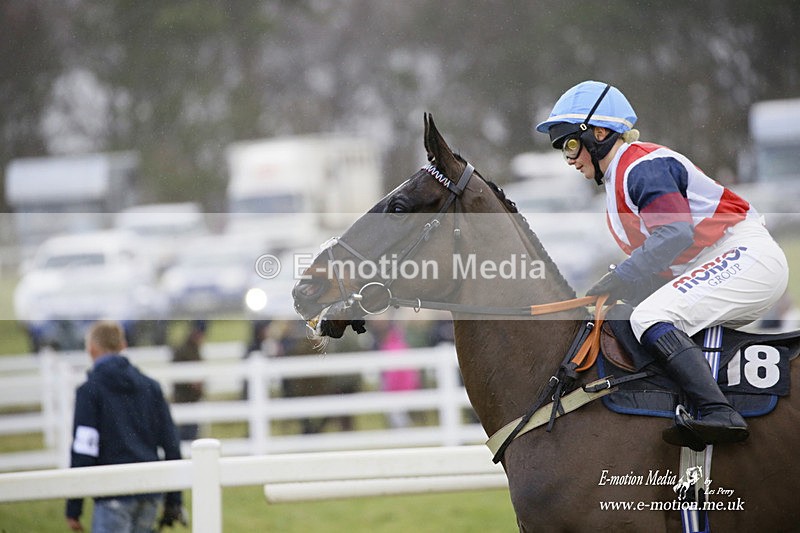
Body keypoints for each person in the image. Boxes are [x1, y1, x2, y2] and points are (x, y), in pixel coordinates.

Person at [535, 81, 789, 449]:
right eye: (562, 150)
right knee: (633, 315)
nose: (570, 158)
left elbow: (674, 235)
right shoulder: (618, 183)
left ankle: (719, 412)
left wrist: (619, 277)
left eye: (571, 144)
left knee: (651, 318)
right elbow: (662, 264)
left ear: (601, 134)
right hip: (720, 262)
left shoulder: (641, 166)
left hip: (744, 256)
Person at [66, 320, 186, 532]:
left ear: (91, 349)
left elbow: (84, 449)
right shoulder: (151, 387)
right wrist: (174, 500)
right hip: (150, 491)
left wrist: (74, 506)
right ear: (123, 346)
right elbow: (171, 443)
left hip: (111, 492)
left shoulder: (90, 391)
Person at [171, 320, 207, 441]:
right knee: (188, 432)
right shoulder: (184, 350)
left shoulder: (192, 349)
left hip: (192, 398)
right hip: (185, 398)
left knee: (192, 430)